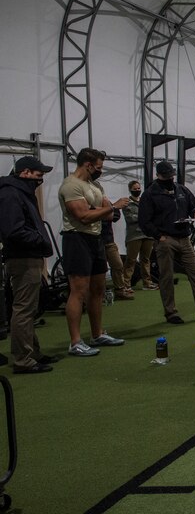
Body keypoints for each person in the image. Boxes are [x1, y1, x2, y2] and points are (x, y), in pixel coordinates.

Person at [58, 147, 128, 357]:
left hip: (96, 238)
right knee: (78, 291)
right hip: (76, 239)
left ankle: (97, 334)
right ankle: (75, 342)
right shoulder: (71, 185)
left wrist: (105, 209)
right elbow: (83, 216)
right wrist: (111, 207)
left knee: (98, 289)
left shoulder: (95, 185)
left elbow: (107, 214)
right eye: (98, 167)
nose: (100, 170)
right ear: (88, 165)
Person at [138, 161, 195, 324]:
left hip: (184, 238)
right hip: (165, 239)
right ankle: (171, 313)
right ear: (158, 175)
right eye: (166, 176)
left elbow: (192, 206)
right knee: (167, 277)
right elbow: (144, 221)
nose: (170, 178)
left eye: (171, 175)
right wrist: (158, 236)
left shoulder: (181, 190)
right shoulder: (150, 194)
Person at [0, 156, 58, 372]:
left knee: (28, 308)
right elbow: (13, 230)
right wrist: (39, 239)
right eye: (38, 174)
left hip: (27, 256)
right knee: (23, 309)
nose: (41, 178)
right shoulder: (10, 193)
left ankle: (33, 353)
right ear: (25, 172)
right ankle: (23, 360)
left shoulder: (19, 192)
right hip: (22, 258)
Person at [122, 179, 157, 291]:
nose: (137, 190)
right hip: (134, 236)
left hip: (147, 235)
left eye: (138, 188)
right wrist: (144, 217)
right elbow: (130, 218)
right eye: (135, 189)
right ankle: (126, 284)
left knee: (146, 260)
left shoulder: (145, 201)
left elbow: (153, 215)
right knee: (130, 260)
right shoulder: (126, 203)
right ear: (130, 190)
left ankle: (147, 283)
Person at [100, 205, 131, 299]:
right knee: (100, 270)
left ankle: (120, 290)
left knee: (118, 265)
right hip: (95, 242)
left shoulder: (105, 202)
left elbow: (116, 216)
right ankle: (100, 294)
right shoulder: (88, 203)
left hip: (109, 241)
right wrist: (106, 213)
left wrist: (103, 213)